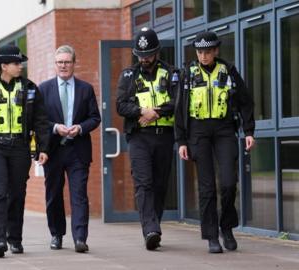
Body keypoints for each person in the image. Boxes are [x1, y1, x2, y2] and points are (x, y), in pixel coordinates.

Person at [175, 31, 255, 253]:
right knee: (207, 187)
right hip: (198, 131)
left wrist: (249, 131)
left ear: (215, 51)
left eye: (207, 52)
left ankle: (226, 226)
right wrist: (181, 140)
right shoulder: (188, 74)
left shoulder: (228, 70)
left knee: (229, 182)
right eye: (200, 52)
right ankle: (211, 236)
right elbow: (180, 109)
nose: (203, 56)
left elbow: (246, 101)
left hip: (224, 129)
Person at [0, 45, 50, 258]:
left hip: (20, 147)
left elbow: (41, 120)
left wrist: (43, 148)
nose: (19, 66)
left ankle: (14, 238)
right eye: (16, 63)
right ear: (3, 66)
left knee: (17, 193)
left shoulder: (30, 88)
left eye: (20, 63)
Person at [116, 27, 179, 250]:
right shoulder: (128, 76)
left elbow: (178, 100)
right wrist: (142, 111)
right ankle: (150, 230)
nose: (144, 59)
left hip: (164, 136)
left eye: (148, 55)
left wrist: (157, 112)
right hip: (139, 138)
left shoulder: (172, 73)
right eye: (141, 56)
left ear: (157, 52)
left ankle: (154, 226)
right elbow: (121, 105)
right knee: (144, 183)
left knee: (160, 185)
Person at [38, 45, 101, 253]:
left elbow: (95, 118)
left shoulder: (85, 89)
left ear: (74, 63)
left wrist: (80, 128)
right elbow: (38, 121)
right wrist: (56, 128)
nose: (63, 66)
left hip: (78, 150)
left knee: (79, 195)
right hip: (53, 150)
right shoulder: (44, 89)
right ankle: (56, 235)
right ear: (55, 65)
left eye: (67, 62)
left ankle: (80, 238)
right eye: (60, 62)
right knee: (54, 194)